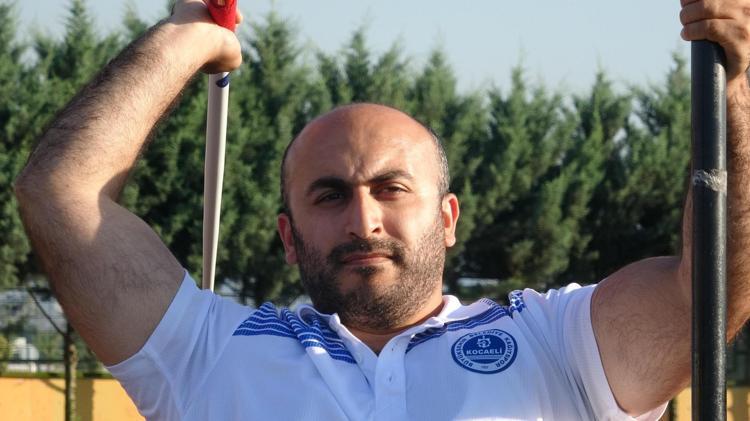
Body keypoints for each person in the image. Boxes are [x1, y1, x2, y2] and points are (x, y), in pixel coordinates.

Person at [13, 0, 750, 419]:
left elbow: (712, 289)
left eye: (391, 188)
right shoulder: (205, 354)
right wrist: (187, 38)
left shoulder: (557, 342)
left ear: (449, 217)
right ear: (287, 236)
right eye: (329, 194)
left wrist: (739, 82)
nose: (363, 220)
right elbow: (59, 193)